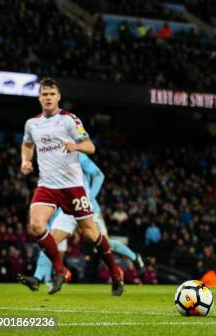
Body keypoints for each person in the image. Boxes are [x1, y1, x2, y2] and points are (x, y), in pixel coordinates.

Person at [19, 77, 124, 295]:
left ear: (58, 97)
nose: (48, 98)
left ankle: (115, 272)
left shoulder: (69, 120)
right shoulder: (32, 123)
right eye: (44, 94)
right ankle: (60, 270)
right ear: (39, 98)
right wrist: (25, 161)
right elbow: (27, 144)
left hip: (73, 186)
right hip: (47, 185)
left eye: (51, 94)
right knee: (37, 225)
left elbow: (91, 147)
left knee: (90, 233)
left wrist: (74, 145)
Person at [19, 153, 144, 291]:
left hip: (86, 207)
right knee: (50, 241)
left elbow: (99, 175)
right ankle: (37, 278)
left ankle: (132, 259)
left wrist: (89, 197)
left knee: (105, 244)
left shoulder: (78, 155)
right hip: (67, 208)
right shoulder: (51, 156)